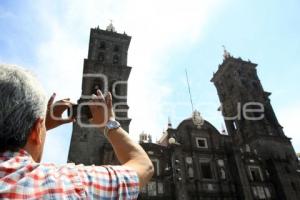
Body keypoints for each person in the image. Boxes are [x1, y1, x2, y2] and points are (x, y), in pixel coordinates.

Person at [0, 64, 154, 199]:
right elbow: (144, 166)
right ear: (36, 131)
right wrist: (109, 123)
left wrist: (41, 123)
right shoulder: (68, 184)